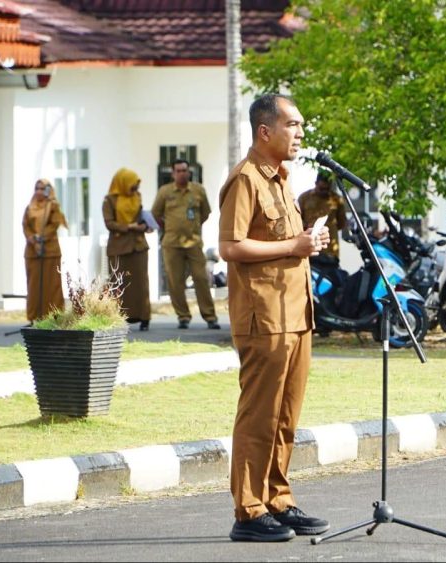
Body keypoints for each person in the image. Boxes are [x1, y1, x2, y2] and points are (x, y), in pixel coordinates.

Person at [219, 93, 331, 542]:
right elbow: (231, 247)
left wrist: (306, 242)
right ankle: (248, 511)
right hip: (264, 317)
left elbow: (286, 241)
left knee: (286, 415)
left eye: (301, 126)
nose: (300, 133)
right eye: (293, 125)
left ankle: (277, 500)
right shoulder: (245, 180)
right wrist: (293, 247)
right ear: (265, 131)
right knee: (259, 415)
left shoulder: (282, 179)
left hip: (296, 313)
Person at [151, 159, 220, 330]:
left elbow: (205, 213)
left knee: (201, 278)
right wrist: (169, 227)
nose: (182, 173)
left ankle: (210, 316)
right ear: (173, 173)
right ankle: (183, 316)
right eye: (179, 171)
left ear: (189, 172)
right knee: (175, 282)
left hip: (193, 242)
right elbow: (155, 214)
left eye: (185, 170)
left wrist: (192, 227)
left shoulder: (197, 190)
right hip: (172, 243)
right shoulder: (165, 191)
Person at [102, 168, 153, 331]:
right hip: (119, 247)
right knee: (119, 283)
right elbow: (109, 223)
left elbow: (141, 217)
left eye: (137, 186)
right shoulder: (109, 200)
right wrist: (128, 227)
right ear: (123, 183)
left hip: (138, 246)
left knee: (141, 283)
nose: (135, 189)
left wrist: (146, 225)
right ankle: (121, 317)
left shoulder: (137, 197)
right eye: (133, 185)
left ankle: (144, 317)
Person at [22, 179, 67, 322]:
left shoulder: (53, 206)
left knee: (52, 286)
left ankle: (54, 317)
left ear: (48, 190)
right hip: (32, 252)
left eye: (42, 189)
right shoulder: (30, 207)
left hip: (50, 251)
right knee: (34, 285)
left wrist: (41, 237)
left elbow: (54, 225)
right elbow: (25, 226)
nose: (39, 192)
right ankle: (34, 317)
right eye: (37, 188)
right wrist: (31, 238)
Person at [297, 170, 346, 264]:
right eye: (321, 188)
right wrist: (308, 228)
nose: (324, 191)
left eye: (327, 189)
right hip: (310, 248)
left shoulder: (337, 199)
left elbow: (341, 223)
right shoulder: (304, 198)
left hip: (330, 250)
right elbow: (297, 220)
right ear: (316, 183)